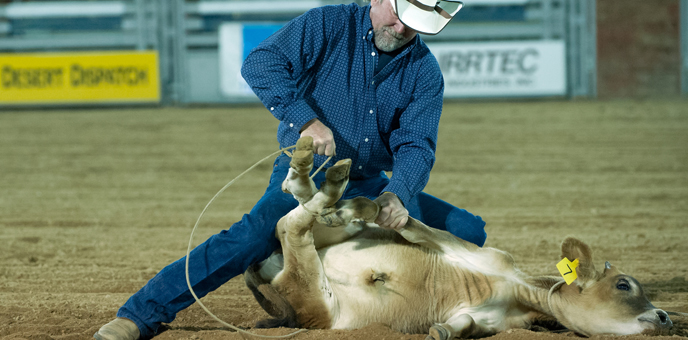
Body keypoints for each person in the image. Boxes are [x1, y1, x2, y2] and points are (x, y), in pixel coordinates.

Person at [94, 0, 485, 339]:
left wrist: (399, 192)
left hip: (371, 186)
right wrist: (305, 121)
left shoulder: (424, 71)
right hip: (306, 174)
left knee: (468, 230)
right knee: (251, 236)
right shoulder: (327, 25)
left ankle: (436, 309)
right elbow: (262, 63)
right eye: (398, 16)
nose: (401, 29)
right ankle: (140, 315)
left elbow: (416, 144)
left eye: (414, 24)